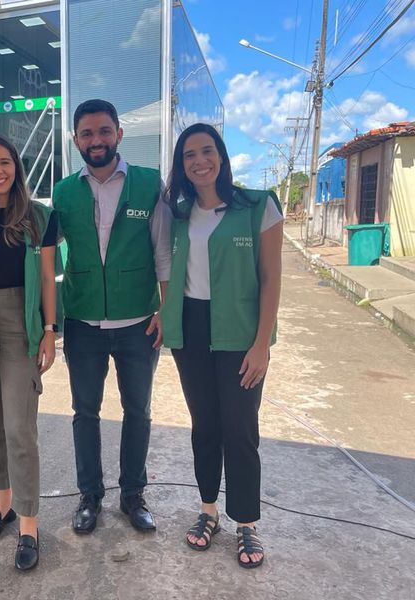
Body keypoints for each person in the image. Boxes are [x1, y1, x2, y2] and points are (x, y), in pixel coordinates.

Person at [159, 123, 283, 569]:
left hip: (240, 332)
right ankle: (208, 510)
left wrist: (262, 344)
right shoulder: (178, 213)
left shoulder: (257, 206)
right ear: (182, 165)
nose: (200, 161)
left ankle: (246, 522)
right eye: (189, 155)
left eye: (207, 151)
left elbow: (271, 279)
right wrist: (162, 312)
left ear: (222, 156)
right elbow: (168, 270)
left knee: (240, 427)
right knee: (205, 425)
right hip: (191, 329)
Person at [52, 99, 171, 535]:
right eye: (87, 133)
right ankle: (90, 496)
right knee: (85, 412)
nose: (96, 140)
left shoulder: (148, 184)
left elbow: (163, 251)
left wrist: (165, 310)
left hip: (138, 322)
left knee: (137, 411)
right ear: (76, 140)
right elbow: (42, 252)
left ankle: (133, 495)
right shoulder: (63, 192)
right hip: (82, 322)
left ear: (119, 133)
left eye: (104, 131)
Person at [0, 135, 57, 571]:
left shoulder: (39, 216)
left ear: (16, 166)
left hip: (21, 318)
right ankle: (2, 503)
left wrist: (49, 330)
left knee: (20, 425)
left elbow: (48, 277)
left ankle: (28, 522)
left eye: (4, 162)